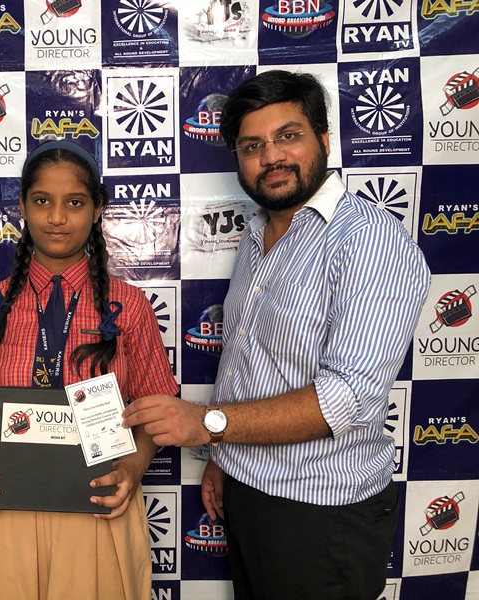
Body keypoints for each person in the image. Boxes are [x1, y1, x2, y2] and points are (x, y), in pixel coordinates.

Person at [121, 70, 430, 599]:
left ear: (324, 139)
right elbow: (248, 362)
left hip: (321, 512)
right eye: (252, 146)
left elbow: (347, 399)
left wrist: (206, 424)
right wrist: (227, 461)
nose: (271, 157)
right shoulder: (257, 234)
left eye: (288, 136)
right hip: (248, 490)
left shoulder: (370, 241)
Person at [0, 139, 178, 600]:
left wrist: (133, 467)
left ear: (97, 210)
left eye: (74, 202)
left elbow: (159, 410)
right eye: (41, 201)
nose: (56, 217)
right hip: (3, 508)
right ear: (22, 207)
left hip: (97, 503)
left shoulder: (128, 306)